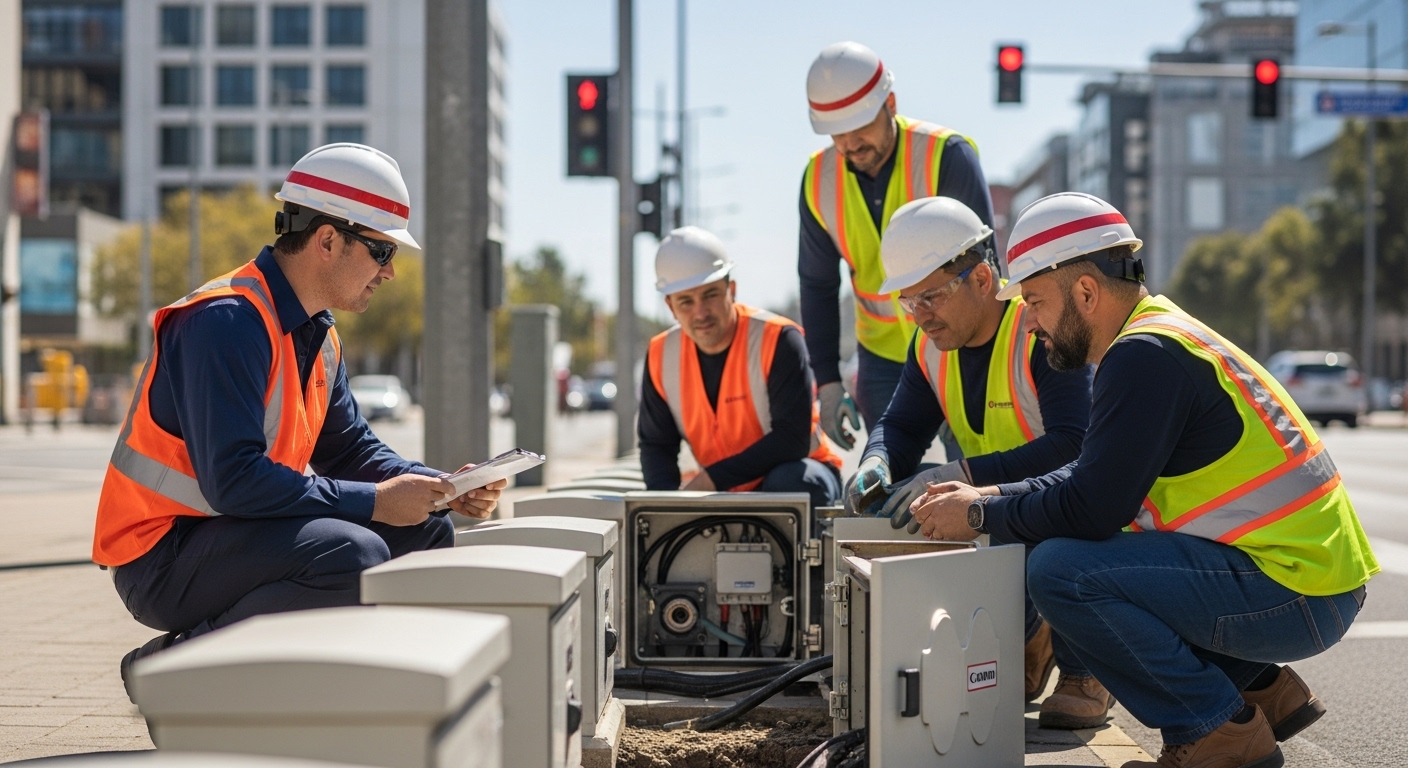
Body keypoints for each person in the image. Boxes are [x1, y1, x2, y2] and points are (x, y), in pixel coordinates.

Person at [910, 192, 1379, 768]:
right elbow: (1091, 476)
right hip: (1307, 580)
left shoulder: (1143, 356)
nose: (1028, 323)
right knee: (1075, 557)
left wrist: (980, 515)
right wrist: (990, 493)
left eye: (1033, 302)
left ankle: (1215, 734)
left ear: (1085, 292)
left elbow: (1091, 508)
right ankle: (1260, 690)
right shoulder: (1156, 338)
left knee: (1061, 573)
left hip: (1297, 594)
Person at [94, 144, 506, 699]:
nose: (390, 273)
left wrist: (440, 489)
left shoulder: (317, 332)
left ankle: (376, 696)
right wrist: (379, 501)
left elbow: (352, 450)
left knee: (426, 531)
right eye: (382, 251)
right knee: (349, 554)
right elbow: (235, 480)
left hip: (234, 534)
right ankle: (166, 671)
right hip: (161, 556)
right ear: (328, 240)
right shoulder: (227, 322)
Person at [843, 195, 1099, 719]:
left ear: (983, 279)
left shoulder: (1041, 332)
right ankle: (1027, 638)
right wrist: (877, 461)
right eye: (908, 302)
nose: (919, 317)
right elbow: (901, 426)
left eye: (930, 297)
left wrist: (962, 473)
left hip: (1073, 508)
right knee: (910, 501)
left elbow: (1078, 444)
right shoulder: (929, 347)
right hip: (999, 510)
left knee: (1060, 538)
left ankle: (1084, 669)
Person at [799, 41, 995, 449]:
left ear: (890, 102)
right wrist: (829, 382)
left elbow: (983, 267)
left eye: (860, 127)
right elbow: (817, 286)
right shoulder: (819, 180)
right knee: (889, 478)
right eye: (838, 133)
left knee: (975, 478)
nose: (850, 144)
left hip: (962, 347)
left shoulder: (946, 155)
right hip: (884, 357)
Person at [639, 226, 844, 507]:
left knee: (789, 482)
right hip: (726, 487)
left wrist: (709, 480)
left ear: (731, 290)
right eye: (686, 301)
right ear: (671, 307)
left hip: (802, 474)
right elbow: (657, 445)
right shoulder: (662, 355)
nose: (700, 312)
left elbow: (791, 439)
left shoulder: (778, 339)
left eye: (710, 295)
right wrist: (661, 509)